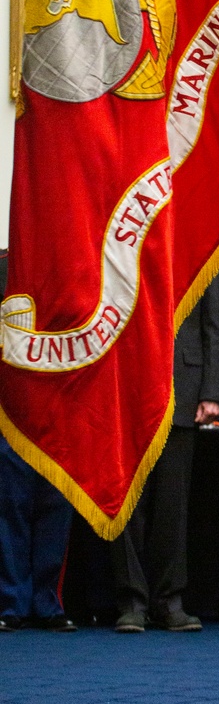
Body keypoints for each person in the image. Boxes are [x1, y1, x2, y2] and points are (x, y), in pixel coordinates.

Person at [112, 281, 219, 633]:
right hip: (127, 386)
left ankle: (169, 600)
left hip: (184, 387)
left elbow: (212, 327)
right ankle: (132, 601)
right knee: (127, 503)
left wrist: (212, 392)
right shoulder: (121, 240)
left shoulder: (192, 242)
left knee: (172, 506)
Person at [0, 250, 76, 634]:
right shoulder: (3, 267)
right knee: (9, 508)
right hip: (8, 412)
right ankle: (11, 602)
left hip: (61, 411)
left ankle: (48, 602)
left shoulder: (76, 273)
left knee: (54, 510)